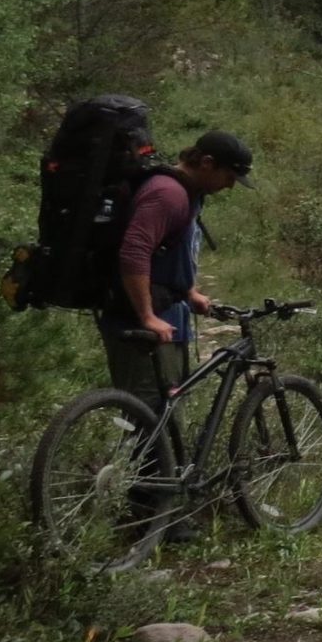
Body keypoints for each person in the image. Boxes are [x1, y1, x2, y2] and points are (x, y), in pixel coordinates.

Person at [99, 131, 252, 514]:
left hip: (170, 314)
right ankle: (151, 517)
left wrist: (188, 292)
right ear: (206, 164)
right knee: (150, 420)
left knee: (164, 414)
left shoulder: (184, 193)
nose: (231, 186)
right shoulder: (168, 193)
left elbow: (167, 253)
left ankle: (160, 510)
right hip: (142, 323)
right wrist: (148, 315)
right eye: (229, 176)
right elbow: (134, 250)